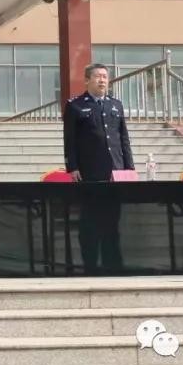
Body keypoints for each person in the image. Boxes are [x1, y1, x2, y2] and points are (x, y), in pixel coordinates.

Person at [63, 63, 134, 275]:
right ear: (87, 80)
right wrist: (72, 166)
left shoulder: (116, 105)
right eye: (98, 76)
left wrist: (129, 168)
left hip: (115, 172)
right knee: (90, 223)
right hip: (90, 173)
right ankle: (90, 266)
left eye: (105, 76)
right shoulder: (75, 106)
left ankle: (113, 265)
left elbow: (123, 139)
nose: (102, 80)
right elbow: (70, 140)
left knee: (112, 223)